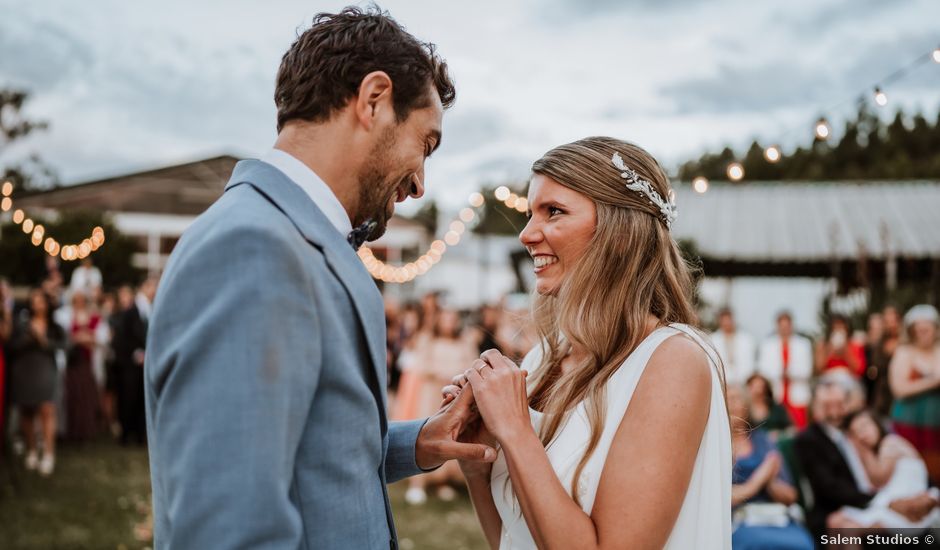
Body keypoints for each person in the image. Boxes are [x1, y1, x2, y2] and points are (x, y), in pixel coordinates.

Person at [144, 8, 494, 549]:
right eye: (425, 144)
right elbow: (229, 531)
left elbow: (310, 450)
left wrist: (420, 442)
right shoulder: (254, 248)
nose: (421, 183)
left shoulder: (296, 238)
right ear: (373, 100)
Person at [445, 137, 731, 549]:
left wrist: (515, 429)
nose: (526, 234)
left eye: (554, 212)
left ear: (619, 232)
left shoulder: (672, 361)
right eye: (530, 214)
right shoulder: (544, 356)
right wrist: (478, 458)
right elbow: (514, 539)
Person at [794, 376, 937, 536]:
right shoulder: (809, 439)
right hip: (840, 505)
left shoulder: (863, 432)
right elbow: (829, 487)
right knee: (841, 527)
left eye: (839, 404)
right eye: (827, 406)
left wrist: (930, 493)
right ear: (815, 407)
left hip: (884, 502)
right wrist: (886, 503)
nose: (834, 411)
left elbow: (909, 465)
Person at [727, 385, 813, 550]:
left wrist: (771, 481)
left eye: (738, 398)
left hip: (774, 517)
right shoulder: (716, 444)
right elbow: (721, 498)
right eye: (729, 398)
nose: (734, 404)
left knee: (803, 542)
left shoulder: (764, 441)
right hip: (738, 521)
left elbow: (790, 496)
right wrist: (760, 478)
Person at [839, 409, 940, 529]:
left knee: (846, 528)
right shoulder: (879, 451)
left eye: (864, 426)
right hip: (896, 508)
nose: (862, 434)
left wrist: (863, 451)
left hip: (909, 512)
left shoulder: (890, 442)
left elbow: (878, 478)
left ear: (876, 423)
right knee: (838, 522)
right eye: (856, 432)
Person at [8, 289, 66, 476]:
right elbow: (11, 346)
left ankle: (49, 453)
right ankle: (32, 449)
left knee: (47, 409)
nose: (37, 305)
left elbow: (64, 346)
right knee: (27, 410)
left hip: (45, 371)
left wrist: (42, 339)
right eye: (34, 301)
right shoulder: (21, 324)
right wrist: (28, 337)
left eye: (41, 301)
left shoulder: (54, 326)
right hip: (24, 371)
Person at [888, 304, 940, 485]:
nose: (923, 333)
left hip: (935, 427)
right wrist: (934, 381)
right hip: (909, 425)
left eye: (927, 329)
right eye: (919, 330)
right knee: (909, 470)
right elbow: (899, 389)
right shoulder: (904, 352)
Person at [758, 312, 814, 429]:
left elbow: (807, 370)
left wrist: (790, 373)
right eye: (782, 326)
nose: (784, 329)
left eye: (787, 326)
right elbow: (763, 370)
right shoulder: (767, 344)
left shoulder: (803, 344)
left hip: (797, 396)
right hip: (776, 394)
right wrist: (780, 372)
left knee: (799, 429)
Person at [63, 291, 101, 442]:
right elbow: (67, 338)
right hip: (72, 362)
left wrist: (84, 338)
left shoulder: (93, 317)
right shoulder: (67, 316)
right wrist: (80, 338)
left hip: (86, 362)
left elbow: (97, 339)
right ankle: (73, 430)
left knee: (86, 396)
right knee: (73, 396)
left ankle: (85, 430)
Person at [711, 307, 756, 385]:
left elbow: (751, 363)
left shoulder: (746, 339)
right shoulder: (713, 340)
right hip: (721, 382)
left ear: (733, 320)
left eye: (728, 320)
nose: (727, 323)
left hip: (743, 382)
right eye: (724, 321)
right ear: (720, 322)